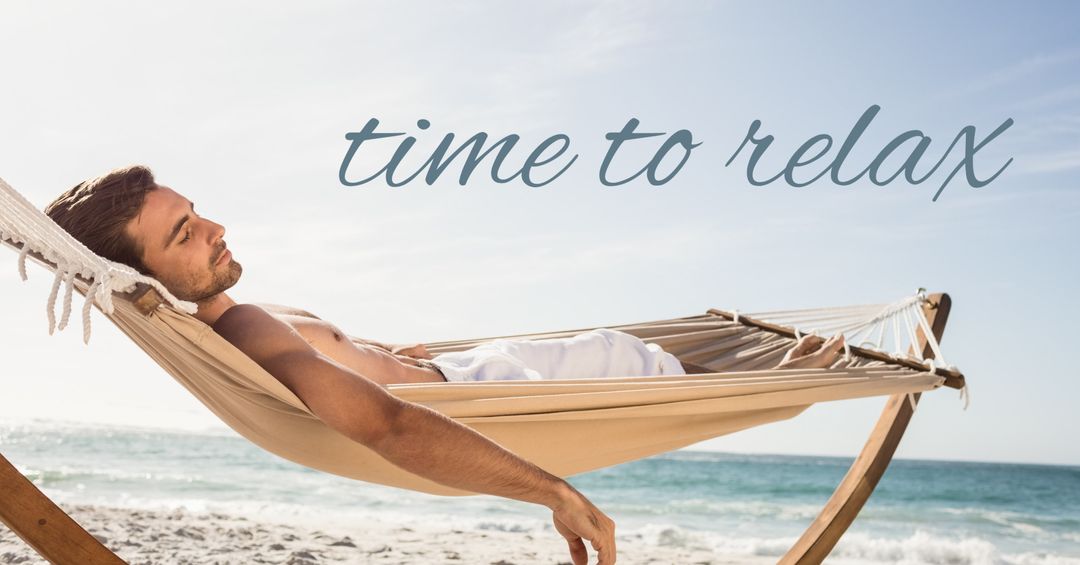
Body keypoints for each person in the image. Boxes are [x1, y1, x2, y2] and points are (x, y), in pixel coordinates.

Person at [45, 165, 846, 565]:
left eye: (196, 211)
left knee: (663, 364)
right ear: (147, 278)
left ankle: (782, 375)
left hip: (477, 372)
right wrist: (553, 490)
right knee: (665, 374)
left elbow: (360, 374)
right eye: (184, 234)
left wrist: (387, 352)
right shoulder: (248, 332)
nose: (215, 227)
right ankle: (792, 376)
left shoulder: (247, 319)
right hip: (496, 397)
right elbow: (387, 423)